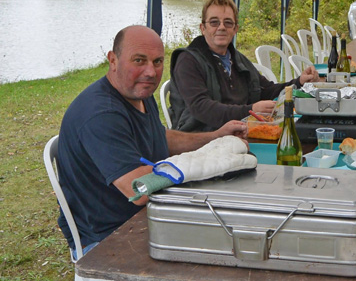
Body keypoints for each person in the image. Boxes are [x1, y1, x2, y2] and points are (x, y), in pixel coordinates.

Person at [56, 25, 248, 260]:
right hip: (108, 238)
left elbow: (161, 137)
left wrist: (216, 136)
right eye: (139, 60)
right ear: (113, 60)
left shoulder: (139, 94)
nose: (150, 72)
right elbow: (141, 189)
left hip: (149, 216)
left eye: (157, 62)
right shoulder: (101, 114)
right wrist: (209, 161)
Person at [169, 0, 319, 132]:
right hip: (201, 138)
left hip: (241, 132)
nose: (221, 27)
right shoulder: (188, 61)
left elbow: (266, 90)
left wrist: (299, 81)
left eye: (228, 23)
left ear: (235, 29)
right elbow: (201, 108)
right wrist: (251, 110)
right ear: (203, 28)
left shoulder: (237, 59)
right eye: (214, 22)